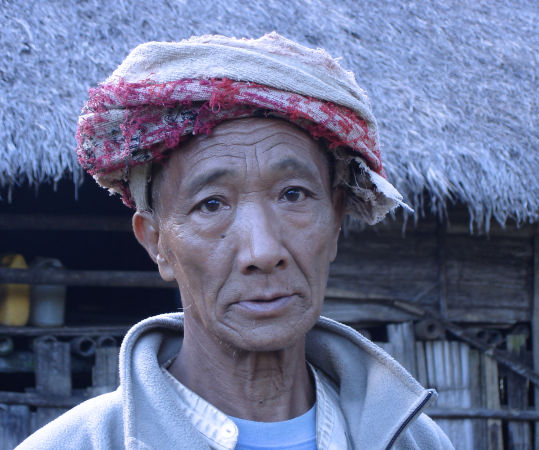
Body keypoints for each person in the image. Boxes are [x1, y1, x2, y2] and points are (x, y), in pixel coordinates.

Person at [18, 33, 453, 449]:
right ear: (156, 243)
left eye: (293, 195)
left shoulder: (417, 442)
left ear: (336, 220)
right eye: (211, 205)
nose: (263, 252)